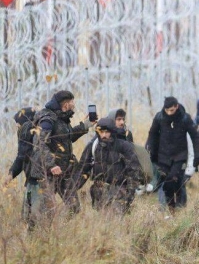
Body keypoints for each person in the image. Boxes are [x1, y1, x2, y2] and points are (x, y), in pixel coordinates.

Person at [29, 91, 95, 221]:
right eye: (72, 102)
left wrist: (87, 124)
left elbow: (68, 137)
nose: (74, 104)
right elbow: (40, 143)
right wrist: (51, 165)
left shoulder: (62, 119)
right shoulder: (48, 119)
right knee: (46, 210)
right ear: (65, 104)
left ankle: (61, 231)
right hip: (48, 172)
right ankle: (37, 236)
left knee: (74, 206)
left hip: (64, 171)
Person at [147, 97, 199, 213]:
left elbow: (195, 136)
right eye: (167, 110)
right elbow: (152, 133)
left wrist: (197, 154)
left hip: (180, 156)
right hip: (163, 156)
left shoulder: (185, 118)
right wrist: (149, 147)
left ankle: (179, 206)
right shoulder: (159, 117)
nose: (169, 113)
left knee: (175, 180)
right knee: (165, 183)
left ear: (176, 107)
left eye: (171, 110)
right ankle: (171, 208)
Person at [79, 118, 142, 214]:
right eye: (101, 132)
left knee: (115, 220)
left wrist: (129, 196)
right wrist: (73, 187)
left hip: (119, 191)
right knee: (101, 223)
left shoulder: (124, 147)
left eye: (107, 132)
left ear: (112, 132)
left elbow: (134, 172)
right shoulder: (93, 146)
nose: (104, 135)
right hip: (98, 192)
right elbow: (83, 169)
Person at [7, 107, 37, 229]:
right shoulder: (35, 133)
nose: (17, 127)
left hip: (34, 180)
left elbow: (21, 157)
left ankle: (32, 241)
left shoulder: (27, 132)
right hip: (33, 179)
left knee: (30, 215)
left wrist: (10, 174)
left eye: (18, 123)